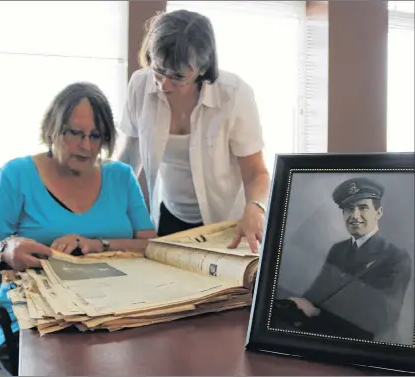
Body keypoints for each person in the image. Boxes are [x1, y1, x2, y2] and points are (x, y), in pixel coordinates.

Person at [0, 82, 156, 373]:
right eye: (75, 133)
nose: (86, 146)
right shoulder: (15, 176)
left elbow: (151, 247)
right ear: (52, 129)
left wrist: (99, 244)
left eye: (96, 136)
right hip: (39, 324)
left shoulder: (121, 177)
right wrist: (5, 250)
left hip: (117, 315)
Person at [117, 9, 271, 253]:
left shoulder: (234, 94)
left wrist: (255, 207)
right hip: (168, 215)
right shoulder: (140, 84)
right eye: (159, 70)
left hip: (224, 225)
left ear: (203, 68)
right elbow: (129, 159)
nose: (164, 84)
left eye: (178, 76)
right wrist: (107, 203)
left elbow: (256, 173)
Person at [276, 177, 412, 343]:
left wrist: (317, 312)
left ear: (378, 213)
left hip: (370, 348)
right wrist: (298, 304)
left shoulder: (395, 257)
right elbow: (316, 294)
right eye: (349, 209)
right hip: (328, 335)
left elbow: (379, 319)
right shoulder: (338, 250)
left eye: (363, 208)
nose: (355, 216)